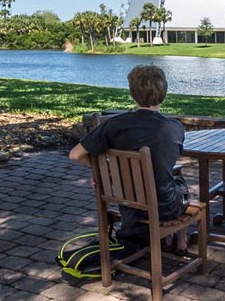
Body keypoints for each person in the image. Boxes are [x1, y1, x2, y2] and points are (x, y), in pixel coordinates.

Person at [69, 64, 189, 251]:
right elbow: (168, 160)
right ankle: (177, 240)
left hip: (127, 203)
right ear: (164, 92)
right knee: (179, 183)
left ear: (133, 93)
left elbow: (75, 155)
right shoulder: (174, 128)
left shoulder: (114, 125)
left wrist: (104, 174)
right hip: (163, 206)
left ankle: (149, 234)